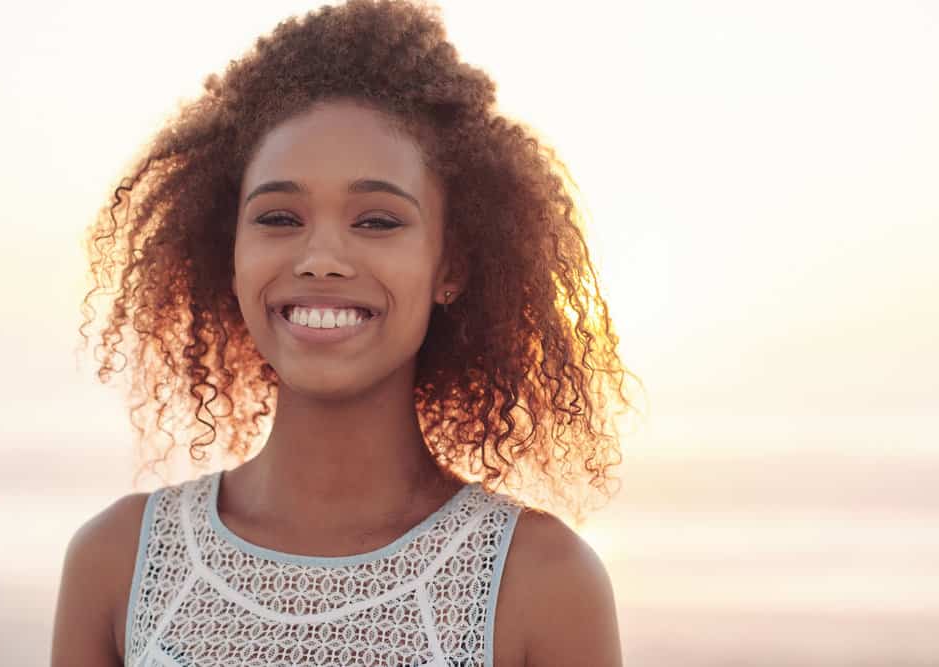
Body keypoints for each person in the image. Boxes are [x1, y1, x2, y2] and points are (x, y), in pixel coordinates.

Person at [51, 0, 639, 664]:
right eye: (278, 217)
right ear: (229, 255)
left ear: (450, 265)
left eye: (377, 221)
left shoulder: (541, 582)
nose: (319, 256)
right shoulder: (118, 565)